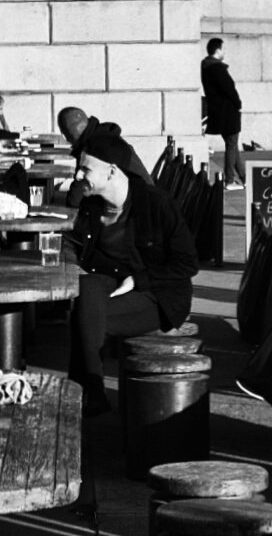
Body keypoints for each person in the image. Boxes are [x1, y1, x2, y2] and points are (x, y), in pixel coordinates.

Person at [65, 134, 199, 416]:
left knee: (85, 319)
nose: (78, 174)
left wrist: (139, 280)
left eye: (85, 169)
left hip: (156, 294)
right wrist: (67, 262)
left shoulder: (154, 204)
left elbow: (188, 264)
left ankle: (86, 391)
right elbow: (72, 243)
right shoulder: (92, 205)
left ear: (112, 171)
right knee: (87, 288)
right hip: (107, 282)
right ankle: (87, 394)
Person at [202, 37, 246, 190]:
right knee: (232, 144)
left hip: (218, 111)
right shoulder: (217, 68)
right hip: (227, 111)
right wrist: (238, 103)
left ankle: (244, 178)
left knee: (232, 144)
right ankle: (230, 180)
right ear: (218, 50)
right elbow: (229, 89)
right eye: (223, 49)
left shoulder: (206, 66)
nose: (225, 52)